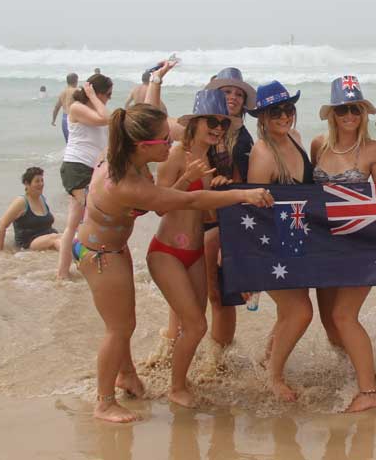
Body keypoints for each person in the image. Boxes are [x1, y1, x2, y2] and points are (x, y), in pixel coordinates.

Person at [76, 61, 274, 423]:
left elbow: (152, 120)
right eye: (165, 140)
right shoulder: (129, 182)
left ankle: (128, 376)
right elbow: (184, 202)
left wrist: (156, 82)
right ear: (144, 145)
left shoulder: (130, 157)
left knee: (134, 325)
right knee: (122, 328)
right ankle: (104, 401)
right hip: (101, 253)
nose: (170, 142)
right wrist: (242, 197)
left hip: (120, 247)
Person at [146, 88, 234, 408]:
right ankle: (176, 388)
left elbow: (205, 213)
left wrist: (220, 191)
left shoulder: (208, 159)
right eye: (212, 120)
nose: (218, 128)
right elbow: (158, 204)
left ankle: (180, 379)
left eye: (223, 123)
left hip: (195, 252)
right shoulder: (175, 155)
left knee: (193, 325)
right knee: (197, 325)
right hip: (166, 251)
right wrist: (187, 179)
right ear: (195, 122)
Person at [311, 75, 376, 412]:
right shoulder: (319, 146)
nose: (349, 116)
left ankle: (369, 393)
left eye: (355, 109)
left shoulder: (373, 150)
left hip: (360, 244)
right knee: (329, 319)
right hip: (324, 244)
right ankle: (356, 369)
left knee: (345, 315)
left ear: (362, 113)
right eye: (343, 109)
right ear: (332, 113)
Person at [246, 81, 313, 402]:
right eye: (276, 112)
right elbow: (253, 208)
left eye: (288, 109)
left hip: (297, 239)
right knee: (300, 312)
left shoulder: (296, 140)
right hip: (273, 243)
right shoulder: (262, 153)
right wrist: (252, 263)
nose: (284, 117)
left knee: (290, 310)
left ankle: (267, 359)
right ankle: (274, 376)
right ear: (262, 118)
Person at [198, 67, 257, 358]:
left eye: (238, 94)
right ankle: (175, 355)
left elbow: (247, 187)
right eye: (227, 92)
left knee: (218, 297)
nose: (233, 97)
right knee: (192, 298)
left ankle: (218, 360)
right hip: (192, 223)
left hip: (220, 224)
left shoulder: (242, 140)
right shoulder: (199, 129)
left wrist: (233, 241)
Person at [56, 74, 112, 280]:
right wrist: (93, 97)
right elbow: (105, 118)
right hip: (76, 167)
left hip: (91, 169)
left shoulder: (95, 109)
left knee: (74, 222)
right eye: (107, 95)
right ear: (95, 93)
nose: (108, 99)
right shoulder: (77, 108)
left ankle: (63, 272)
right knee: (93, 215)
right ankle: (86, 265)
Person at [0, 167, 61, 252]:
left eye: (42, 180)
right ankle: (72, 261)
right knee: (56, 238)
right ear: (27, 184)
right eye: (37, 181)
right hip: (29, 242)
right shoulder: (21, 202)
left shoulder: (42, 198)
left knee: (70, 235)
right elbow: (2, 225)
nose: (41, 184)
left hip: (48, 237)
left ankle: (79, 259)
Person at [51, 73, 79, 142]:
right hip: (73, 119)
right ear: (76, 80)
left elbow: (56, 107)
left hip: (64, 119)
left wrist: (53, 120)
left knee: (68, 143)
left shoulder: (63, 92)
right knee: (76, 142)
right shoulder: (77, 91)